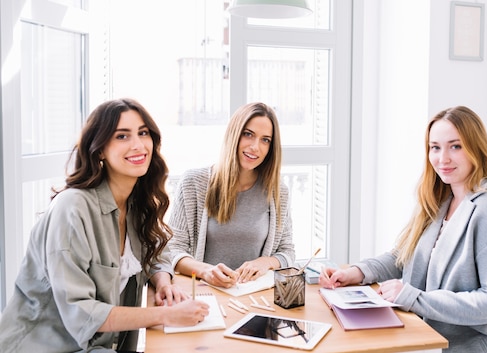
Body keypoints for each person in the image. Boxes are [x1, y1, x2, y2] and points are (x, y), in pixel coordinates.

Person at [320, 106, 487, 353]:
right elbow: (404, 256)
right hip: (436, 336)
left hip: (485, 345)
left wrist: (414, 297)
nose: (442, 158)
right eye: (435, 147)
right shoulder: (442, 198)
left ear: (476, 149)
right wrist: (358, 272)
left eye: (455, 146)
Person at [0, 98, 209, 353]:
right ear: (99, 149)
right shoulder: (72, 208)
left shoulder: (136, 205)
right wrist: (166, 315)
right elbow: (81, 313)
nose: (138, 145)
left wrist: (163, 283)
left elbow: (157, 254)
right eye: (122, 136)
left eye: (143, 133)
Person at [167, 102, 295, 288]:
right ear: (234, 134)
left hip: (255, 298)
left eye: (265, 140)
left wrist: (265, 262)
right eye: (248, 134)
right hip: (207, 295)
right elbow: (172, 249)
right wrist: (205, 271)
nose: (255, 147)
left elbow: (287, 252)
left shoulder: (278, 192)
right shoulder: (193, 183)